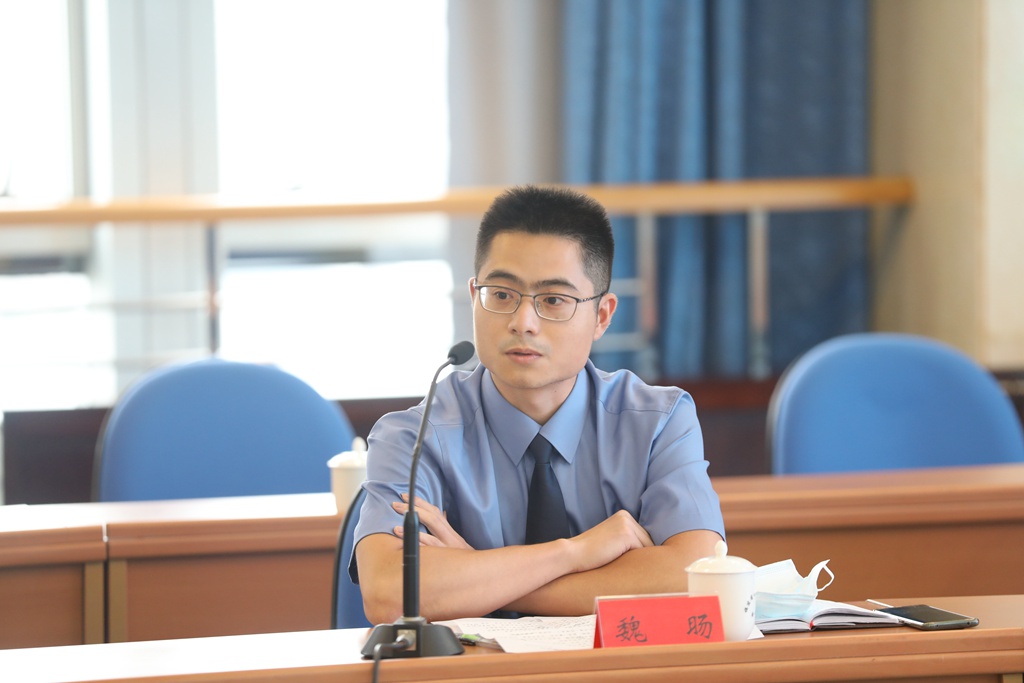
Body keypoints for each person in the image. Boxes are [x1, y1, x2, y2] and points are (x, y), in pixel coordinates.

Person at [352, 185, 725, 625]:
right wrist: (575, 553)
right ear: (474, 297)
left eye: (553, 300)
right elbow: (390, 594)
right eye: (501, 294)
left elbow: (697, 576)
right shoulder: (412, 439)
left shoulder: (658, 422)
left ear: (602, 316)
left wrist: (481, 578)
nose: (523, 322)